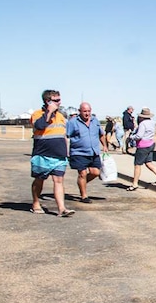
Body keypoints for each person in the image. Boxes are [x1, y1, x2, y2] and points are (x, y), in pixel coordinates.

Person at [30, 89, 74, 217]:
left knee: (59, 180)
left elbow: (63, 135)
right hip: (42, 154)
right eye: (56, 100)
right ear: (47, 101)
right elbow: (40, 125)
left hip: (59, 155)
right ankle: (36, 203)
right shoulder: (37, 114)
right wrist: (49, 112)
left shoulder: (61, 116)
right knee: (39, 180)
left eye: (59, 99)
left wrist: (67, 152)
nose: (59, 103)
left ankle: (62, 208)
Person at [66, 102, 107, 204]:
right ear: (79, 111)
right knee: (83, 173)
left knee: (95, 172)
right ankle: (84, 196)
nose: (87, 113)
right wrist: (66, 151)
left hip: (93, 152)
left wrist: (105, 145)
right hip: (78, 152)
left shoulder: (95, 121)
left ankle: (81, 182)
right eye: (84, 111)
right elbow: (66, 136)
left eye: (89, 111)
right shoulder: (73, 122)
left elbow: (101, 134)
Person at [127, 107, 156, 191]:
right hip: (151, 143)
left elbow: (139, 136)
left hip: (142, 145)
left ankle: (135, 183)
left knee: (137, 165)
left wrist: (131, 137)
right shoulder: (152, 123)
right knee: (148, 162)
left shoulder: (143, 124)